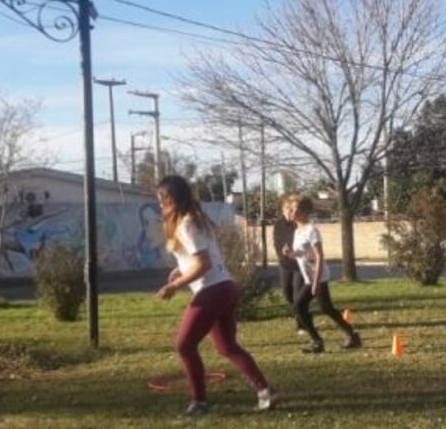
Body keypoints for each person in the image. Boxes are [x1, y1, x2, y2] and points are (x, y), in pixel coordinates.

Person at [155, 174, 278, 416]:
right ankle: (265, 391)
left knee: (185, 345)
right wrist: (179, 269)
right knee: (226, 346)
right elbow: (199, 257)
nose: (160, 205)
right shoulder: (196, 220)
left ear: (171, 200)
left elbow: (204, 264)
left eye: (162, 200)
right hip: (226, 287)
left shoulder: (186, 224)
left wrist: (175, 285)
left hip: (212, 290)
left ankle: (199, 402)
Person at [284, 195, 362, 354]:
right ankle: (352, 335)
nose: (291, 212)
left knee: (300, 305)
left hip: (318, 276)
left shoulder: (312, 230)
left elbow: (319, 256)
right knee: (326, 308)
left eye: (294, 209)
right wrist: (291, 254)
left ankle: (317, 342)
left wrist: (315, 282)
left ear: (304, 212)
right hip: (309, 277)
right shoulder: (297, 231)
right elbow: (303, 254)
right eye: (290, 209)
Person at [272, 194, 307, 335]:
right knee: (287, 293)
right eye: (286, 208)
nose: (289, 211)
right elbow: (277, 241)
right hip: (284, 264)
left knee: (298, 294)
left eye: (291, 209)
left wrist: (293, 251)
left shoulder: (300, 224)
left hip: (299, 264)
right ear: (282, 210)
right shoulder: (278, 224)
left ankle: (302, 324)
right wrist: (282, 252)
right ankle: (302, 314)